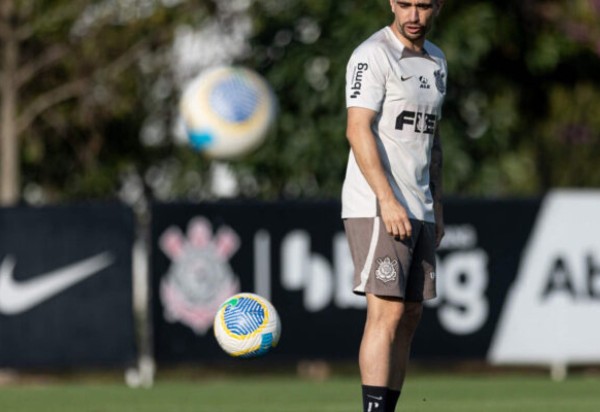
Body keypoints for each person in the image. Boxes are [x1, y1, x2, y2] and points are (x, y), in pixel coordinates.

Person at [341, 1, 446, 411]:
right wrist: (387, 199)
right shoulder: (373, 55)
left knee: (410, 315)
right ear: (391, 3)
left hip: (419, 204)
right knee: (384, 315)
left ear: (437, 5)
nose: (413, 15)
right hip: (377, 204)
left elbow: (432, 139)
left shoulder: (437, 61)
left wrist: (437, 203)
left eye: (423, 5)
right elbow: (357, 128)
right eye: (405, 4)